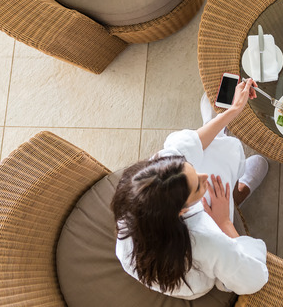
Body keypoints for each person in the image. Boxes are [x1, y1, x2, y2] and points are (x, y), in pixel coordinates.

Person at [112, 78, 270, 299]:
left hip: (163, 243)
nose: (204, 177)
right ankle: (239, 188)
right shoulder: (205, 238)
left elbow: (179, 150)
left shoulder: (139, 195)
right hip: (194, 281)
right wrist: (223, 222)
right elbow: (254, 279)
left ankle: (217, 129)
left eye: (193, 170)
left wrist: (233, 110)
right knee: (221, 171)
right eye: (197, 187)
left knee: (200, 153)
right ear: (182, 211)